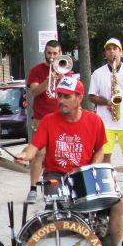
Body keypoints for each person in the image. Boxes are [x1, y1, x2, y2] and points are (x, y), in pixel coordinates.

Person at [16, 76, 123, 246]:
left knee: (118, 202)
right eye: (59, 95)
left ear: (79, 98)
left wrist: (92, 167)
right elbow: (34, 147)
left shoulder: (94, 121)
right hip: (56, 176)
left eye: (66, 96)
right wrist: (24, 155)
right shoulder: (48, 121)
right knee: (60, 206)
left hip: (82, 174)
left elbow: (100, 149)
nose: (60, 100)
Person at [88, 38, 123, 195]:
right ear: (105, 53)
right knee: (106, 155)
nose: (112, 51)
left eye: (115, 49)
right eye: (109, 49)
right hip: (106, 122)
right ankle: (109, 186)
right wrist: (107, 102)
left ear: (121, 52)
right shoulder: (98, 73)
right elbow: (91, 96)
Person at [26, 40, 73, 203]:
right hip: (42, 120)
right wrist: (49, 79)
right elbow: (34, 91)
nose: (52, 57)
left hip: (61, 119)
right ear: (44, 53)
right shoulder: (36, 71)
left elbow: (71, 95)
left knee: (63, 154)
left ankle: (64, 186)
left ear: (60, 54)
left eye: (55, 53)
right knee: (38, 155)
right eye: (49, 53)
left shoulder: (66, 71)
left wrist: (61, 80)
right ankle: (33, 188)